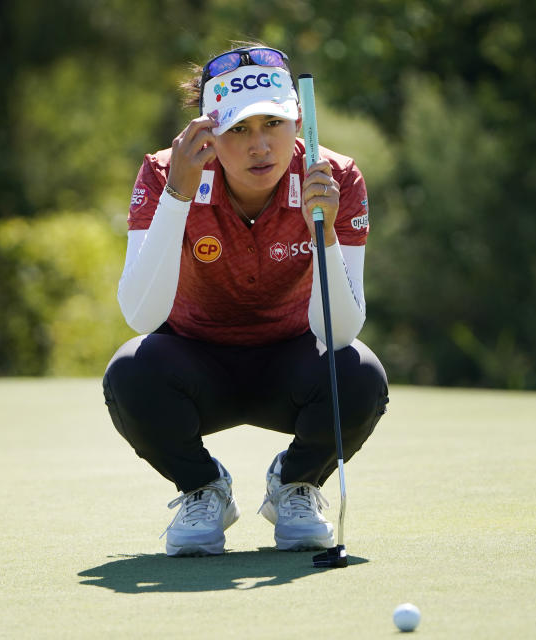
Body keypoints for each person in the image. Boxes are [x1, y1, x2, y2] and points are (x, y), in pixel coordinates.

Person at [102, 44, 389, 557]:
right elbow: (142, 315)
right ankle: (203, 488)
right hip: (194, 361)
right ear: (208, 133)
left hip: (292, 361)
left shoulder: (335, 177)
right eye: (238, 129)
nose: (260, 146)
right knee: (129, 372)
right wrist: (178, 195)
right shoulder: (165, 173)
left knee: (361, 374)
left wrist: (323, 236)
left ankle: (297, 484)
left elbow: (341, 333)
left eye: (272, 125)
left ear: (298, 121)